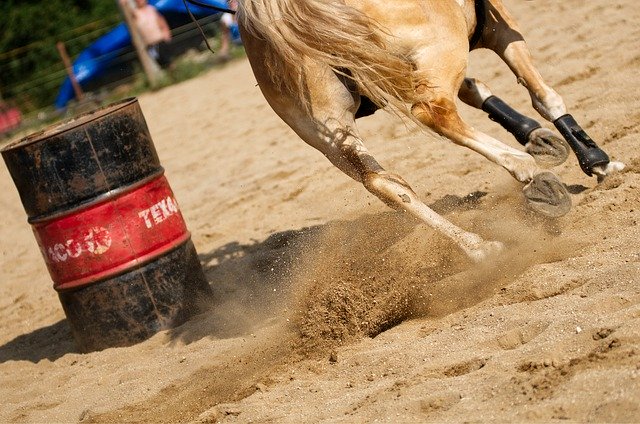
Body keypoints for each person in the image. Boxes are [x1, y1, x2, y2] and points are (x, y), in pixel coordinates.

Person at [126, 0, 173, 68]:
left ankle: (175, 74)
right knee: (160, 62)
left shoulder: (151, 9)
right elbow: (128, 15)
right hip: (150, 44)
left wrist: (166, 32)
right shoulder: (136, 13)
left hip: (160, 40)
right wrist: (125, 4)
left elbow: (161, 20)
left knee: (168, 60)